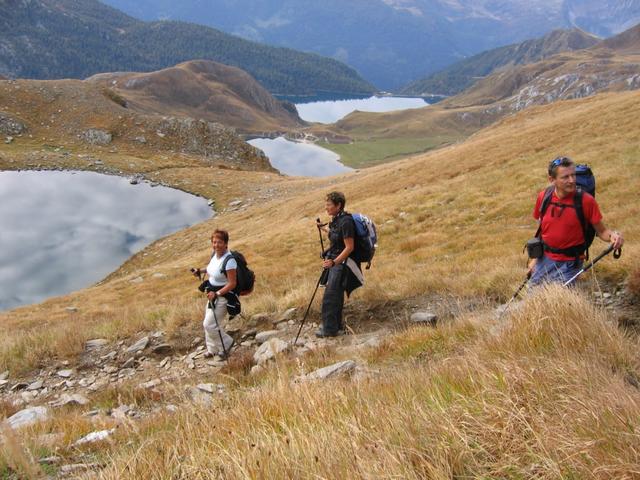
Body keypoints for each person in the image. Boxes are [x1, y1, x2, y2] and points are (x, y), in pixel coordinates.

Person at [529, 156, 624, 285]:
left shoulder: (586, 201)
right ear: (552, 180)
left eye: (573, 175)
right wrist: (535, 259)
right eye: (565, 177)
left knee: (558, 301)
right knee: (534, 299)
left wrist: (613, 236)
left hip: (570, 264)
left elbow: (602, 231)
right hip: (544, 259)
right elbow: (542, 229)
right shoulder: (544, 197)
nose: (572, 180)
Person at [316, 191, 363, 338]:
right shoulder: (337, 219)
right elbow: (336, 234)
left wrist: (334, 262)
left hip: (341, 264)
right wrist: (323, 228)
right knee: (335, 295)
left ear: (339, 205)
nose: (326, 207)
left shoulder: (346, 221)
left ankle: (329, 330)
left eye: (329, 204)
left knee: (330, 296)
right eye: (326, 204)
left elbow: (349, 247)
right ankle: (336, 326)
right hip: (336, 263)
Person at [192, 229, 236, 358]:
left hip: (223, 296)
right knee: (208, 321)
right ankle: (212, 349)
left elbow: (232, 283)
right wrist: (200, 271)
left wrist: (217, 293)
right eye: (214, 242)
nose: (216, 245)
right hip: (212, 293)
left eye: (219, 242)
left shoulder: (229, 260)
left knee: (209, 324)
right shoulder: (214, 255)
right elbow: (213, 269)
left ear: (226, 243)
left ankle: (226, 344)